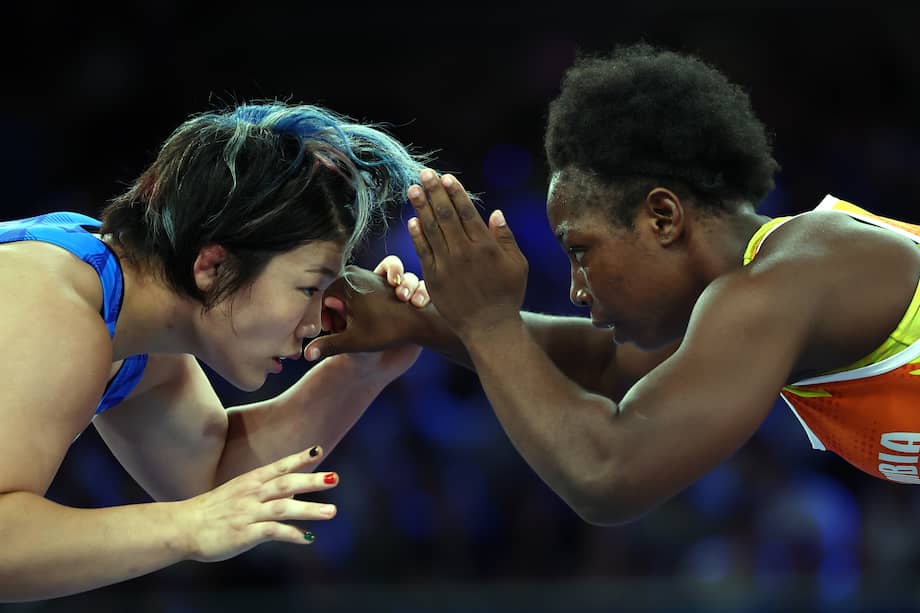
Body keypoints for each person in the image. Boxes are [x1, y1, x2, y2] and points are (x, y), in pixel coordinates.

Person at [306, 43, 920, 528]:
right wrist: (422, 319)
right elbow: (605, 366)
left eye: (581, 251)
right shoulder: (763, 288)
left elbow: (609, 471)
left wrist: (487, 321)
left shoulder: (788, 279)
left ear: (662, 217)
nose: (576, 288)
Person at [0, 101, 432, 601]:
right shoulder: (55, 307)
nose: (315, 324)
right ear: (214, 267)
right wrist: (184, 527)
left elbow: (212, 483)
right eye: (309, 288)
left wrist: (362, 370)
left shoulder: (131, 325)